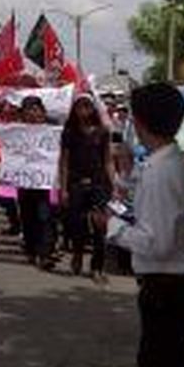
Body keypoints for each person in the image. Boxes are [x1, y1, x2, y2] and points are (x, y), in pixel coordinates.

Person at [93, 83, 184, 367]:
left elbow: (156, 244)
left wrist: (112, 227)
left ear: (139, 121)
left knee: (159, 360)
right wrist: (126, 175)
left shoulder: (161, 172)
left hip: (167, 289)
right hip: (181, 285)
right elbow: (149, 197)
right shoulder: (176, 163)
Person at [58, 94, 114, 283]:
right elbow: (64, 162)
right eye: (79, 106)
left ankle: (97, 266)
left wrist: (113, 185)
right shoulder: (69, 132)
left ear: (93, 108)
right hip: (76, 184)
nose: (83, 110)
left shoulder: (103, 131)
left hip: (98, 184)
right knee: (77, 224)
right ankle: (78, 253)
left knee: (100, 226)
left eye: (87, 106)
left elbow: (108, 160)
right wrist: (63, 188)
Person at [17, 96, 55, 271]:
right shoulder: (15, 131)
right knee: (27, 216)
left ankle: (45, 253)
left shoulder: (53, 130)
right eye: (28, 110)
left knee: (45, 216)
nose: (32, 113)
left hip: (45, 183)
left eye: (35, 109)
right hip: (24, 181)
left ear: (43, 112)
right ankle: (31, 248)